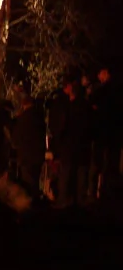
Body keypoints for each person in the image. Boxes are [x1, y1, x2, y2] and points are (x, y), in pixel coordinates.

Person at [50, 77, 92, 209]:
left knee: (66, 174)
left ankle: (64, 200)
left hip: (69, 147)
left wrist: (58, 143)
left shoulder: (67, 108)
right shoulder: (86, 107)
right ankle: (80, 200)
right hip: (82, 146)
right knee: (81, 174)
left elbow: (61, 127)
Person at [9, 87, 47, 203]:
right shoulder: (40, 118)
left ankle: (29, 204)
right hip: (38, 154)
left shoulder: (22, 119)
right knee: (35, 179)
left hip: (25, 155)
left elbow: (16, 137)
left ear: (23, 105)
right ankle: (36, 201)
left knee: (27, 181)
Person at [89, 67, 121, 198]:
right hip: (114, 133)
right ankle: (109, 189)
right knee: (111, 162)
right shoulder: (117, 92)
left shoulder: (100, 91)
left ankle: (97, 190)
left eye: (100, 73)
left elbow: (92, 105)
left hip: (102, 132)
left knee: (99, 162)